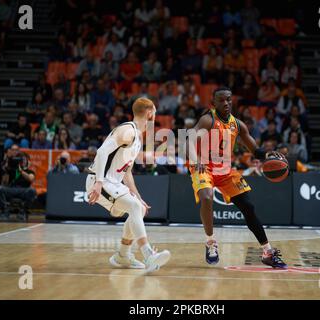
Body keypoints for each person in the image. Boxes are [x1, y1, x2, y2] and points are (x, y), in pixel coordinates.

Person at [187, 87, 287, 268]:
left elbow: (255, 150)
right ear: (214, 103)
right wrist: (195, 159)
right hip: (203, 166)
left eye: (228, 99)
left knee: (248, 206)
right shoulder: (207, 120)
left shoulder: (238, 125)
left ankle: (267, 252)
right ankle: (211, 243)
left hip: (225, 170)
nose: (225, 103)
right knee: (207, 197)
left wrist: (268, 155)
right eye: (221, 100)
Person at [86, 97, 171, 272]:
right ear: (149, 113)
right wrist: (99, 182)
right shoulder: (128, 130)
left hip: (113, 182)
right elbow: (101, 152)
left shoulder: (138, 138)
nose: (155, 117)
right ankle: (148, 255)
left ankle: (123, 256)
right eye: (154, 113)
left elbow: (127, 171)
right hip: (99, 180)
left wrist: (139, 197)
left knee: (138, 207)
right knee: (133, 207)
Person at [0, 152, 36, 222]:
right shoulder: (11, 170)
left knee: (32, 191)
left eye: (24, 160)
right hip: (11, 189)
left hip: (23, 190)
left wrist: (21, 171)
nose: (23, 161)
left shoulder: (30, 171)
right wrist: (6, 170)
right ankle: (4, 211)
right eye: (21, 159)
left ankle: (24, 211)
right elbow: (4, 183)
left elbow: (31, 179)